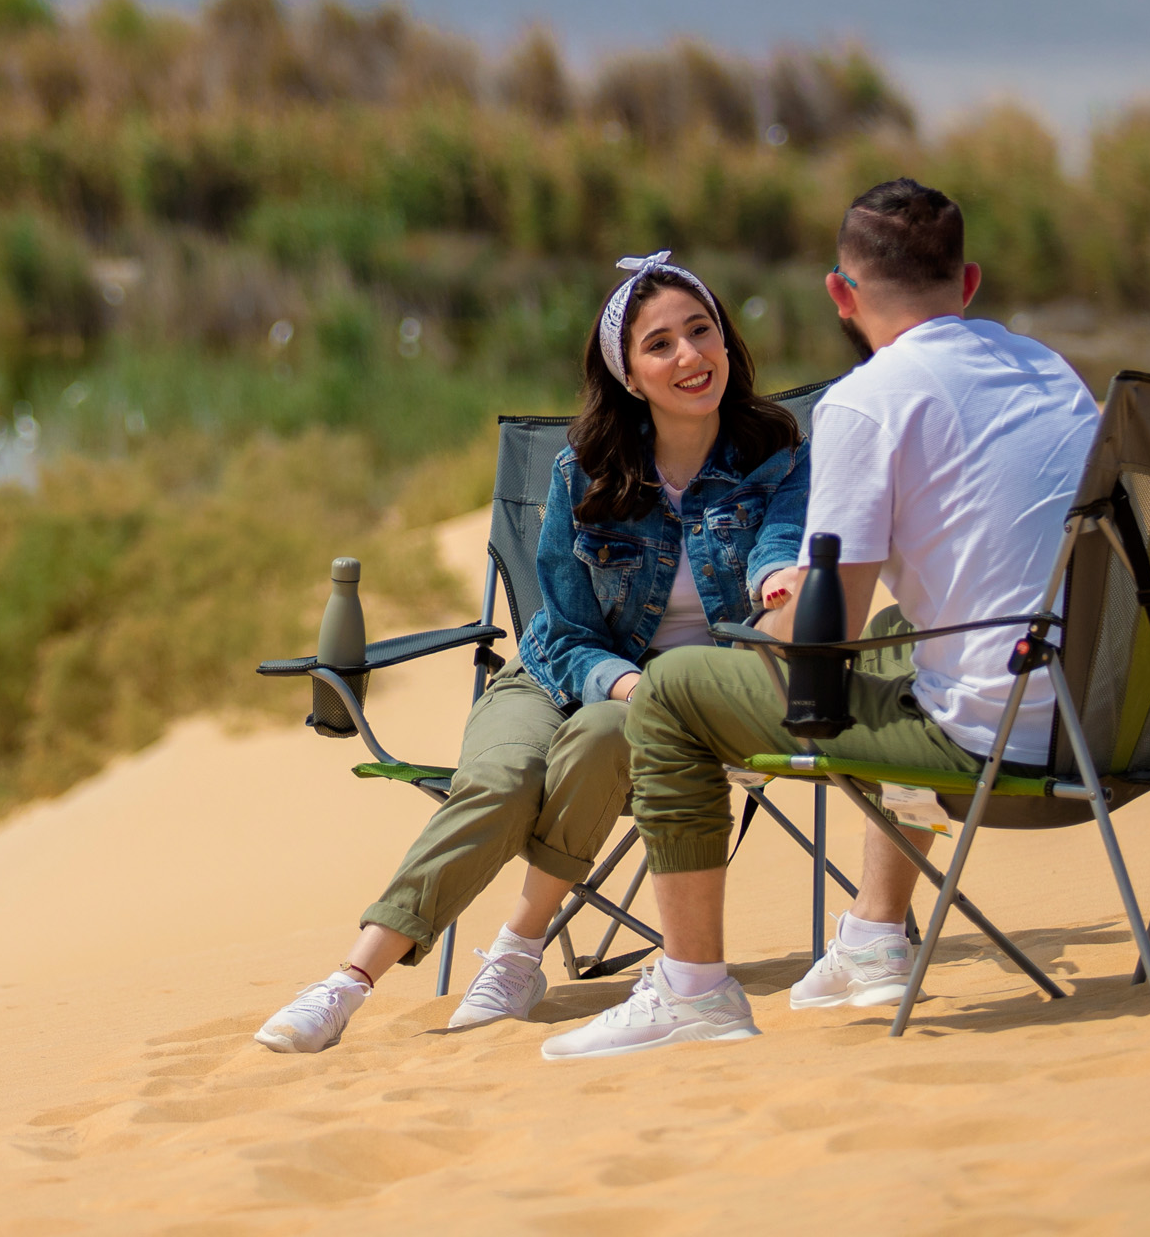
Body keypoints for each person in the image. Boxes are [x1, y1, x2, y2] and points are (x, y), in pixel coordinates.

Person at [532, 178, 1101, 1061]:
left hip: (1001, 744)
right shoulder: (1052, 373)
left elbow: (819, 638)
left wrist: (786, 589)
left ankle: (693, 991)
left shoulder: (867, 402)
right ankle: (875, 934)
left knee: (676, 689)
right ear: (971, 282)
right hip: (1119, 720)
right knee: (907, 659)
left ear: (842, 293)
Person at [254, 253, 809, 1054]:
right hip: (561, 671)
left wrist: (781, 581)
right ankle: (347, 981)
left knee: (607, 734)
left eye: (701, 331)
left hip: (689, 702)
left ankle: (517, 951)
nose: (690, 357)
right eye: (661, 344)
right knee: (504, 776)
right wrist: (621, 683)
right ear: (628, 373)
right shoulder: (583, 472)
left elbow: (778, 547)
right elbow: (565, 629)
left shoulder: (776, 452)